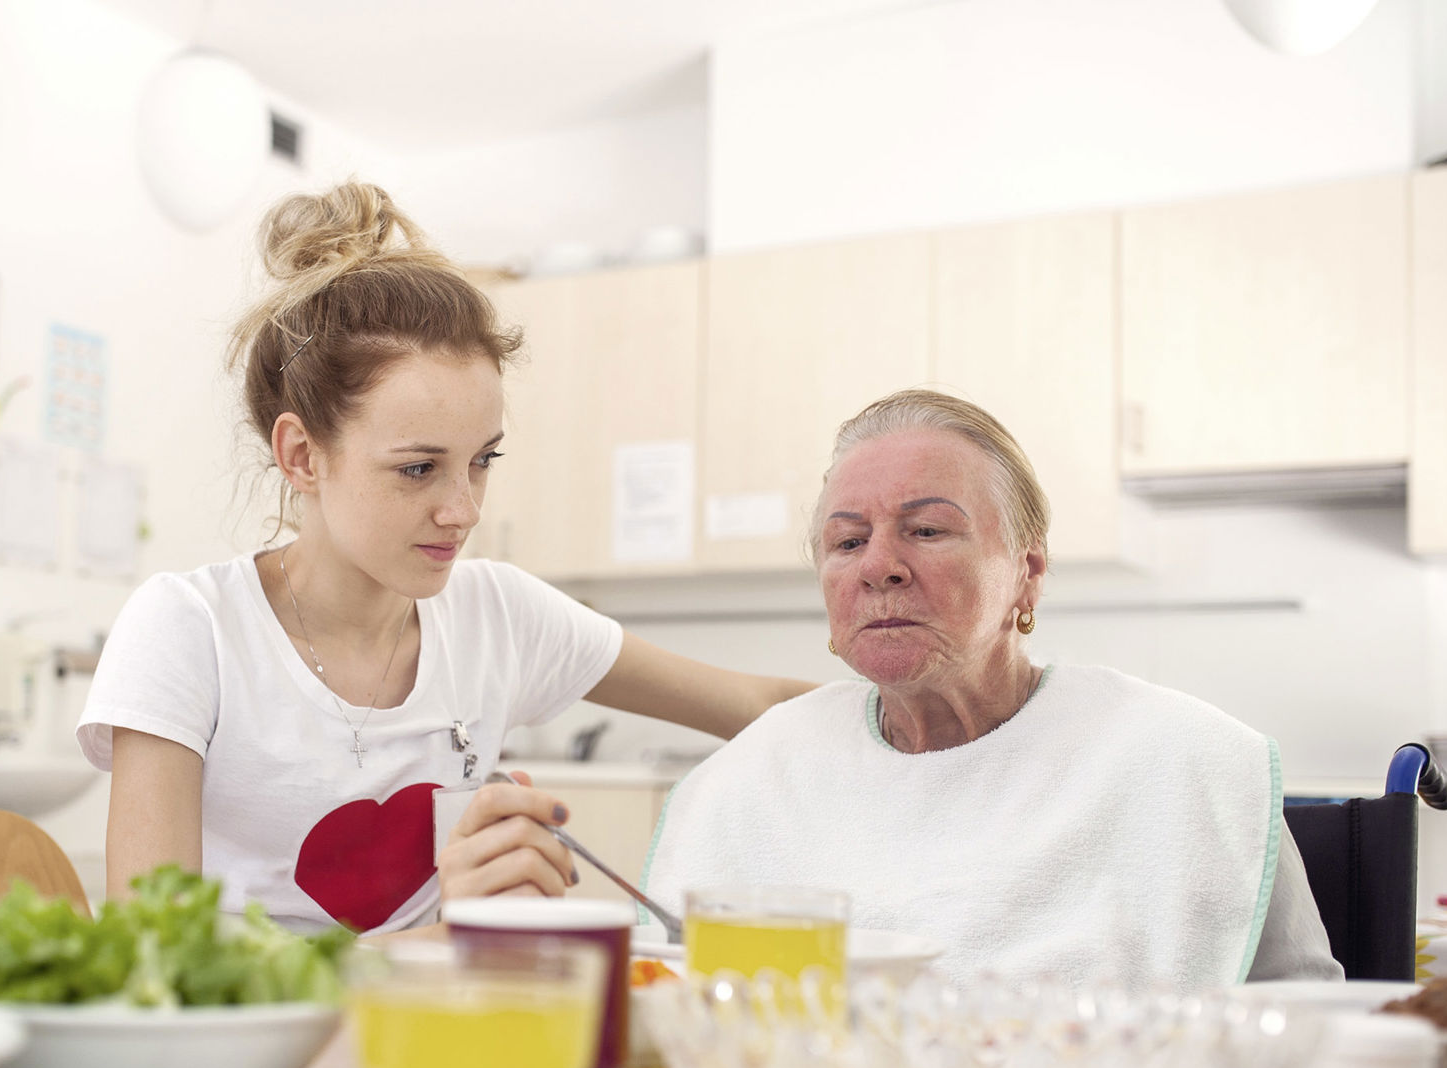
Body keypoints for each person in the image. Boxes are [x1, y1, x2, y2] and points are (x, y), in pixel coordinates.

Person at [76, 181, 814, 932]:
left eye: (482, 460)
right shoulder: (189, 629)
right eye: (418, 468)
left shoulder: (499, 614)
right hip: (254, 1049)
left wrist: (922, 712)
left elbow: (760, 708)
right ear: (302, 454)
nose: (463, 510)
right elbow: (155, 961)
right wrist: (448, 933)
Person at [443, 389, 1339, 989]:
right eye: (845, 541)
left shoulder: (1181, 761)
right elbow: (676, 1011)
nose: (879, 567)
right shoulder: (752, 777)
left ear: (1026, 576)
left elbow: (1312, 1028)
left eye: (927, 529)